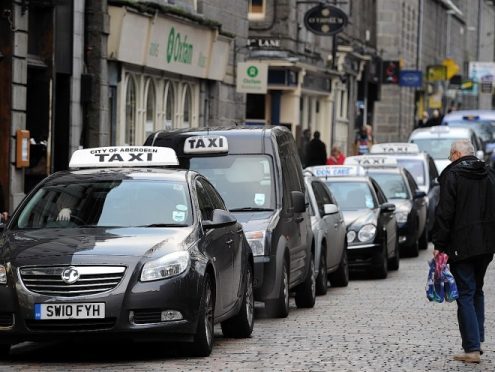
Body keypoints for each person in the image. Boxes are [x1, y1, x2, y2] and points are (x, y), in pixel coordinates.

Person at [432, 139, 495, 364]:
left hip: (462, 244)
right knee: (476, 289)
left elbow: (445, 213)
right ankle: (477, 339)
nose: (450, 160)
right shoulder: (488, 173)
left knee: (466, 293)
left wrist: (439, 244)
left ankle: (472, 349)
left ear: (457, 154)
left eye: (451, 156)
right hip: (487, 245)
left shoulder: (453, 176)